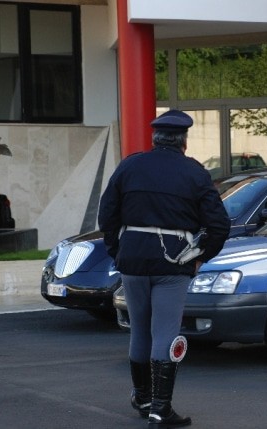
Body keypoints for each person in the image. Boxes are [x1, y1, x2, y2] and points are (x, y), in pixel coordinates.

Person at [98, 110, 230, 428]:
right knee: (166, 333)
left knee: (140, 329)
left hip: (132, 260)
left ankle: (142, 397)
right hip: (173, 262)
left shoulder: (130, 165)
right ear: (184, 141)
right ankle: (160, 409)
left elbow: (107, 215)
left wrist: (119, 251)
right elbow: (219, 225)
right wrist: (201, 257)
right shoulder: (194, 173)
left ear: (155, 137)